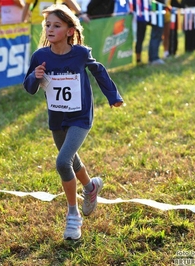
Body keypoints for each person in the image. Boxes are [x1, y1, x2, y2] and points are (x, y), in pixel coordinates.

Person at [23, 4, 123, 240]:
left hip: (80, 116)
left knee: (62, 162)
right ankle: (91, 187)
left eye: (57, 25)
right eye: (47, 25)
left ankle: (72, 216)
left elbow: (98, 70)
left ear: (69, 30)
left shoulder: (79, 53)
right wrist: (34, 77)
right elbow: (28, 88)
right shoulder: (40, 56)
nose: (50, 29)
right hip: (57, 117)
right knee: (72, 161)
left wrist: (113, 96)